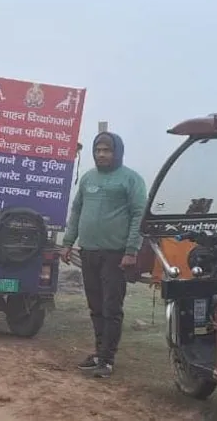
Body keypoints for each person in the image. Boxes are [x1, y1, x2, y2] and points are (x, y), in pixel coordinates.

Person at [60, 131, 147, 378]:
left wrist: (131, 251)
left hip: (116, 254)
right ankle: (98, 353)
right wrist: (67, 243)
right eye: (98, 150)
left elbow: (138, 215)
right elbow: (76, 211)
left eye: (106, 150)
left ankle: (107, 359)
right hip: (89, 252)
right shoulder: (88, 179)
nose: (101, 154)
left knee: (111, 307)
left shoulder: (130, 180)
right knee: (95, 306)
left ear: (116, 152)